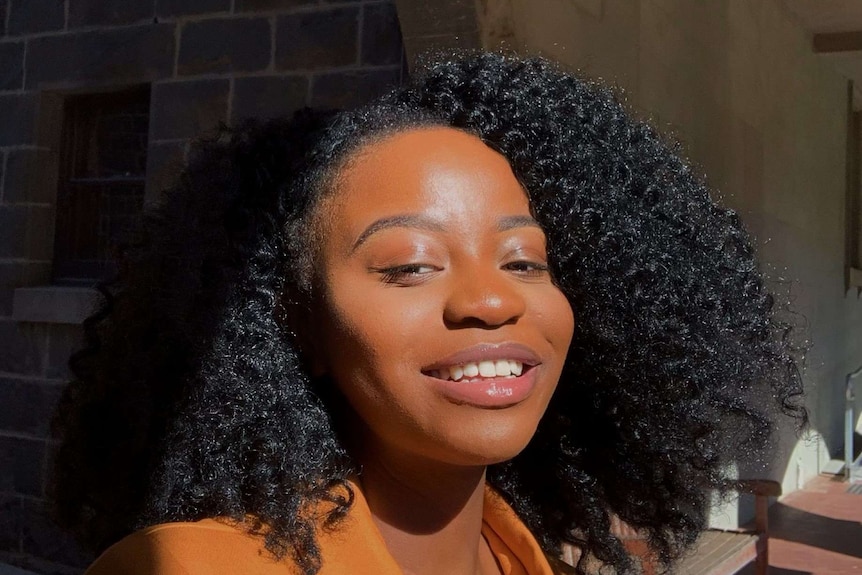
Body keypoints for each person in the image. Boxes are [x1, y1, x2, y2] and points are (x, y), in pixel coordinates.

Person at [50, 52, 806, 575]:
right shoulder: (192, 567)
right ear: (302, 324)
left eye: (524, 261)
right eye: (411, 264)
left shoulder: (530, 557)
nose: (492, 300)